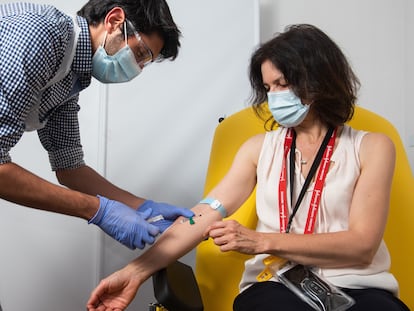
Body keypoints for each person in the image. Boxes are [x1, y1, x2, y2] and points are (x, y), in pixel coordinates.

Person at [86, 24, 409, 311]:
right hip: (278, 285)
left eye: (282, 84)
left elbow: (363, 246)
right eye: (268, 89)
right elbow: (202, 215)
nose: (274, 98)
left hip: (359, 288)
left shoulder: (371, 146)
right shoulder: (258, 150)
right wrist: (134, 272)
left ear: (318, 80)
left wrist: (262, 241)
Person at [0, 0, 194, 251]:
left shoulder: (69, 72)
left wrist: (141, 206)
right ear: (114, 21)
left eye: (145, 63)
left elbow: (69, 167)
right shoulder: (38, 36)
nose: (137, 69)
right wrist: (98, 210)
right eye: (140, 53)